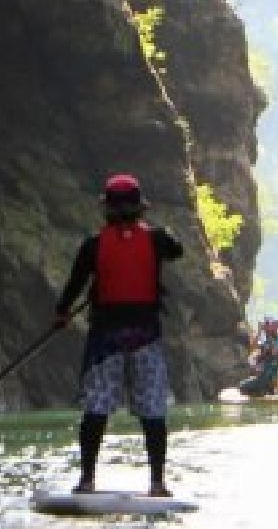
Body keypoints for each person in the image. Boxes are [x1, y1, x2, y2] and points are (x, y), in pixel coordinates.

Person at [53, 173, 184, 497]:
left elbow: (73, 286)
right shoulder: (158, 240)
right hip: (146, 337)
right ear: (141, 208)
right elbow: (177, 250)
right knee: (152, 411)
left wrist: (62, 313)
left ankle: (87, 480)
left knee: (96, 409)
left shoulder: (93, 245)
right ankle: (157, 483)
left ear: (106, 209)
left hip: (105, 339)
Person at [238, 317, 278, 397]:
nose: (266, 330)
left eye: (268, 326)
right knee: (243, 386)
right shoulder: (266, 342)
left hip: (272, 375)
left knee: (243, 387)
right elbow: (253, 347)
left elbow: (277, 353)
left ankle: (268, 389)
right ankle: (262, 393)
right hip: (264, 375)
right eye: (266, 327)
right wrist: (259, 331)